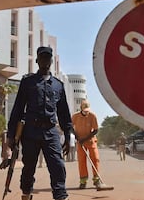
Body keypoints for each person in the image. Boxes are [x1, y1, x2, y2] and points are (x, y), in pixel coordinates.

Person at [6, 46, 73, 200]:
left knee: (58, 166)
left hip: (51, 132)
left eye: (48, 58)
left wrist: (68, 137)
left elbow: (64, 114)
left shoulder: (58, 85)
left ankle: (60, 196)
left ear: (51, 61)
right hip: (30, 132)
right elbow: (17, 109)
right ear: (37, 61)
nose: (45, 61)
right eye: (42, 58)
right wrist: (11, 136)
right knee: (29, 167)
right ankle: (26, 194)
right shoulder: (27, 82)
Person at [72, 99, 102, 189]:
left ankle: (97, 180)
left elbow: (96, 130)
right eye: (84, 111)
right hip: (80, 142)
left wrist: (85, 139)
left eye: (87, 111)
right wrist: (76, 136)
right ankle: (83, 181)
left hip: (90, 141)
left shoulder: (92, 116)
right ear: (81, 108)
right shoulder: (75, 116)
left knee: (95, 159)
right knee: (81, 161)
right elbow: (70, 127)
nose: (86, 113)